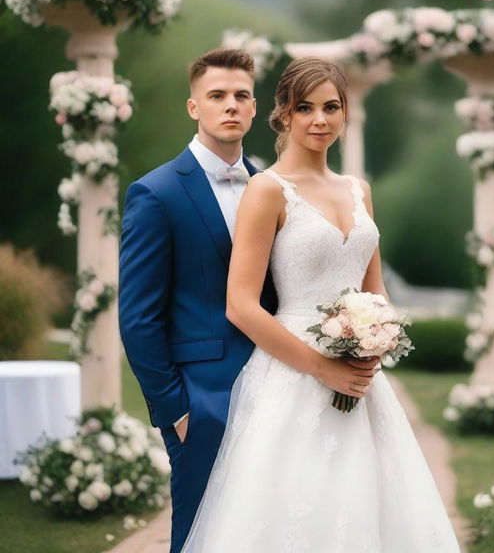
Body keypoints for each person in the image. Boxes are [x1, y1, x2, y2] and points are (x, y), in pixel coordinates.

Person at [180, 57, 461, 552]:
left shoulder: (358, 189)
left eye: (332, 107)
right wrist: (322, 368)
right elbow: (241, 306)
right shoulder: (266, 190)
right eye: (305, 107)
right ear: (283, 113)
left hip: (360, 375)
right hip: (291, 374)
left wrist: (375, 342)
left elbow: (375, 290)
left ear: (346, 112)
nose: (320, 120)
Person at [118, 49, 377, 553]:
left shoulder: (274, 184)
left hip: (285, 385)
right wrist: (175, 409)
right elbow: (138, 317)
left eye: (240, 96)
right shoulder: (156, 193)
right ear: (194, 106)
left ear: (257, 108)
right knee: (201, 532)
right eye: (216, 96)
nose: (230, 106)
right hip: (205, 397)